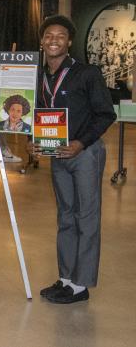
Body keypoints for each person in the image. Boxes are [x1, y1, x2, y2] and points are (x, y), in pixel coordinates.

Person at [30, 15, 115, 304]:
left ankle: (81, 285)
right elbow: (39, 114)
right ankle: (66, 278)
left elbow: (106, 114)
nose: (54, 40)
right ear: (42, 41)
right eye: (49, 35)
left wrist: (81, 143)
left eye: (60, 36)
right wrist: (36, 142)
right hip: (57, 154)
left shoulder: (87, 73)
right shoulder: (39, 76)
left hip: (86, 153)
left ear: (69, 42)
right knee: (65, 216)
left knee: (86, 217)